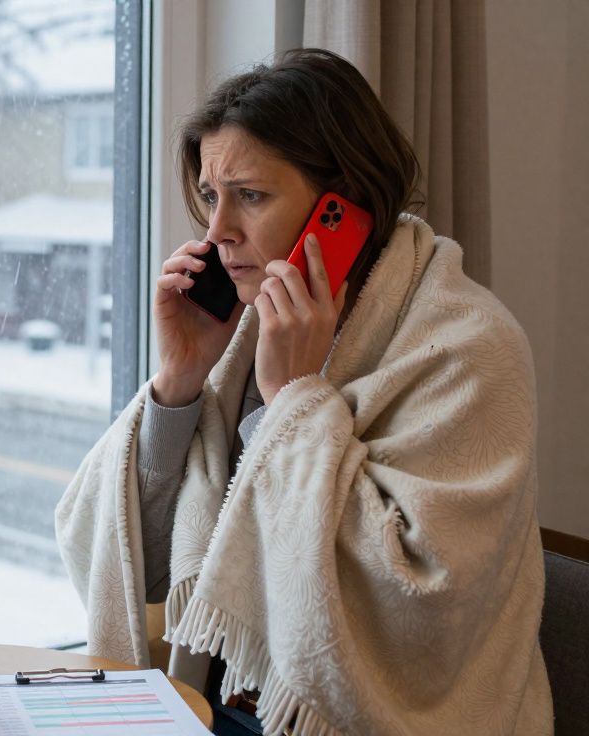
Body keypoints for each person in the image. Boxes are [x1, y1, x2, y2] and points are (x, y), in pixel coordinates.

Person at [56, 48, 552, 735]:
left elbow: (419, 602)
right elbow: (120, 556)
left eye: (249, 196)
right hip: (227, 706)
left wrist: (292, 401)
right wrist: (178, 387)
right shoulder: (244, 325)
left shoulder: (471, 349)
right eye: (209, 196)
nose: (218, 232)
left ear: (342, 209)